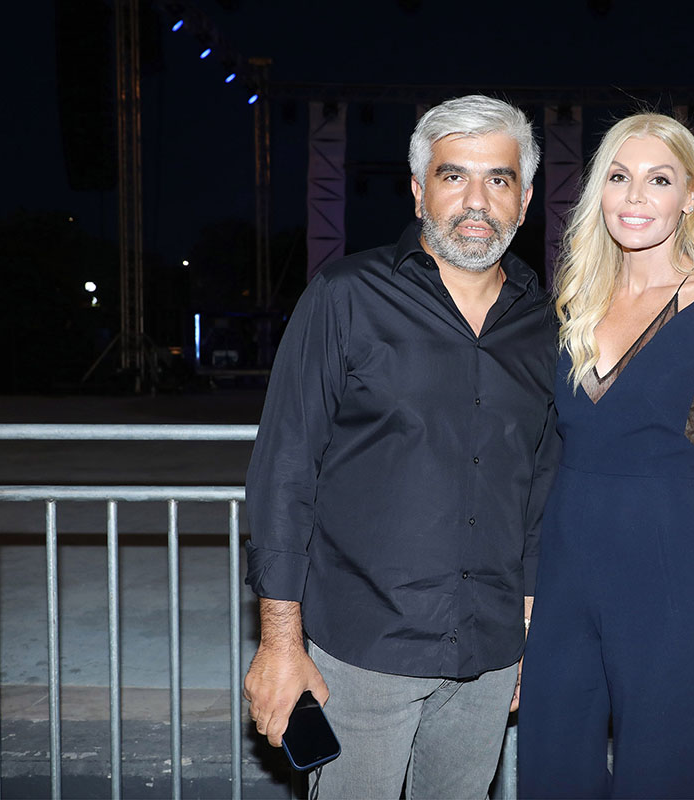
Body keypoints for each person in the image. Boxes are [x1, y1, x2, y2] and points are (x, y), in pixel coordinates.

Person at [242, 95, 558, 799]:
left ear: (526, 198)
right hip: (361, 651)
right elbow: (285, 471)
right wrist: (280, 642)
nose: (476, 201)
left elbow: (539, 489)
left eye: (499, 179)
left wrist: (529, 632)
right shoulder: (345, 296)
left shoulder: (545, 324)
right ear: (418, 191)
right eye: (453, 176)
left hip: (489, 654)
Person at [517, 112, 694, 799]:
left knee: (656, 783)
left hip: (664, 582)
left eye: (658, 180)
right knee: (550, 778)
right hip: (564, 580)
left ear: (690, 195)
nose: (635, 196)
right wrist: (528, 593)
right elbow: (546, 455)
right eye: (619, 177)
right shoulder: (576, 303)